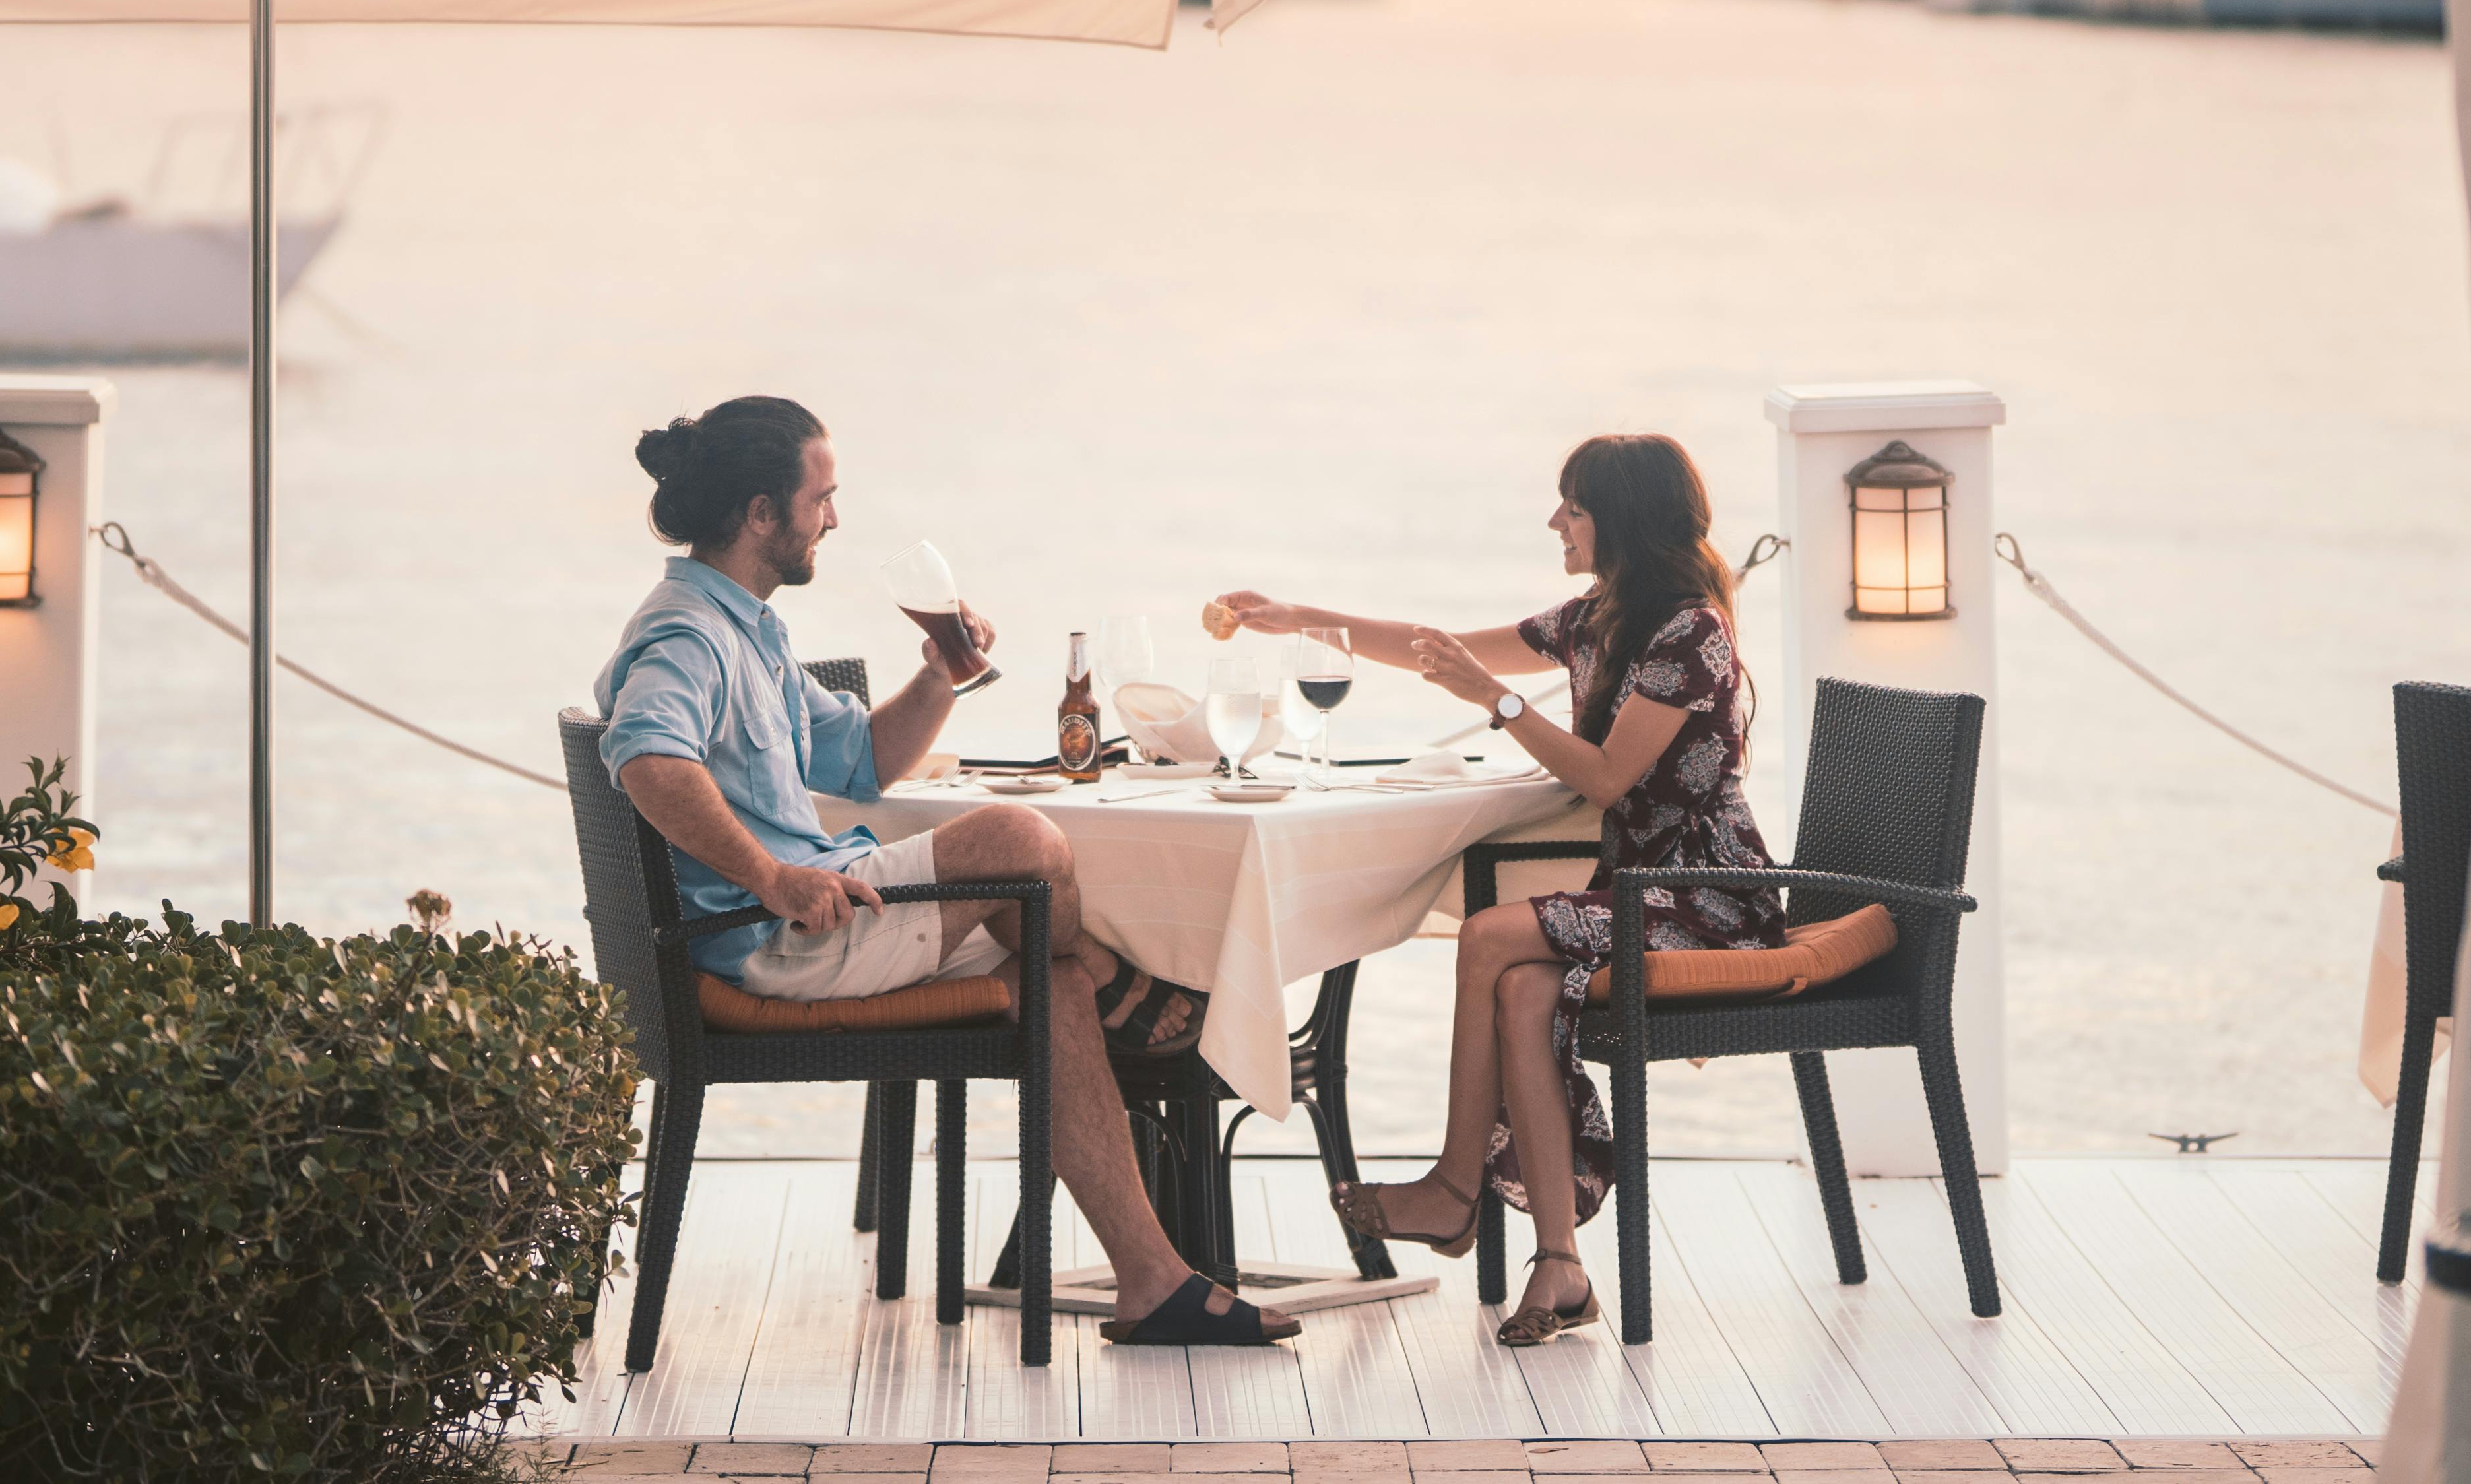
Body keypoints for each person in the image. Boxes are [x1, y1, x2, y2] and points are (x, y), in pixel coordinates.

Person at [596, 395, 1294, 1350]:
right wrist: (771, 877)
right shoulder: (687, 635)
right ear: (762, 513)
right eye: (821, 498)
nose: (833, 520)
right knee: (1023, 842)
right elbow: (645, 759)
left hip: (818, 915)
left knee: (1049, 985)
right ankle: (1119, 984)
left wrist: (937, 675)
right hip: (775, 944)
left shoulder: (746, 626)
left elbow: (860, 765)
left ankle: (1153, 1283)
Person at [1214, 432, 1784, 1347]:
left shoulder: (1690, 632)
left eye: (1574, 505)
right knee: (1520, 985)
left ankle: (1450, 1186)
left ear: (1622, 518)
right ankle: (1557, 1265)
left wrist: (1498, 700)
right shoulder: (1599, 616)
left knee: (1488, 936)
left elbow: (1603, 779)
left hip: (1708, 900)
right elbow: (1434, 647)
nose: (1555, 520)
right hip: (1636, 894)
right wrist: (1300, 618)